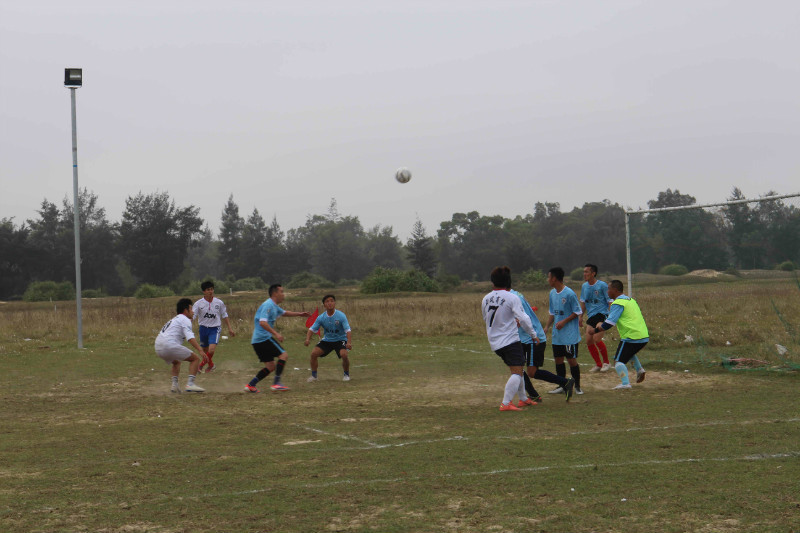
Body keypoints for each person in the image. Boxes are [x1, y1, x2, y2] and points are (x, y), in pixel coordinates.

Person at [481, 266, 539, 411]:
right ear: (508, 281)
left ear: (492, 281)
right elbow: (524, 318)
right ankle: (506, 403)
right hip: (510, 341)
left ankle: (523, 399)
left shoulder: (486, 298)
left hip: (495, 342)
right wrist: (533, 335)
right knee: (517, 372)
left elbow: (486, 318)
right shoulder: (512, 297)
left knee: (518, 369)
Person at [509, 284, 575, 403]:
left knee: (531, 372)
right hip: (523, 338)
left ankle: (565, 382)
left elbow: (524, 317)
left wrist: (519, 322)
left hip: (532, 339)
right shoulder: (512, 295)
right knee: (517, 367)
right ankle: (533, 395)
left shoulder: (513, 297)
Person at [245, 284, 311, 393]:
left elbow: (284, 313)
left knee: (270, 367)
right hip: (263, 338)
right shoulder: (268, 305)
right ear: (275, 293)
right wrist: (276, 333)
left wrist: (300, 314)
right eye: (282, 292)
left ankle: (250, 385)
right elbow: (262, 322)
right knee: (283, 355)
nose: (283, 294)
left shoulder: (274, 306)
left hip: (257, 341)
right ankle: (276, 383)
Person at [588, 280, 648, 390]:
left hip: (631, 336)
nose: (607, 291)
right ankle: (640, 370)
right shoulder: (630, 300)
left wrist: (595, 330)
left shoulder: (618, 303)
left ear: (615, 290)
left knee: (618, 361)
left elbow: (609, 324)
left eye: (609, 289)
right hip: (643, 335)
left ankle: (625, 383)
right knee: (628, 352)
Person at [544, 267, 585, 395]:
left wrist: (564, 321)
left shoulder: (569, 293)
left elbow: (577, 312)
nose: (548, 280)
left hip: (569, 335)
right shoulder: (552, 293)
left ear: (554, 278)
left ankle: (577, 386)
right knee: (558, 360)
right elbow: (552, 313)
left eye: (549, 277)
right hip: (557, 335)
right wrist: (547, 327)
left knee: (571, 360)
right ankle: (562, 385)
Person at [154, 298, 207, 393]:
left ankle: (174, 385)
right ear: (186, 310)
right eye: (191, 309)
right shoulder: (185, 319)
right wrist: (200, 350)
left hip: (158, 347)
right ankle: (190, 384)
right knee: (195, 359)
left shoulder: (174, 319)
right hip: (168, 345)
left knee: (176, 362)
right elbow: (190, 338)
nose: (193, 312)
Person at [304, 294, 353, 382]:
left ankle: (346, 375)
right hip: (327, 340)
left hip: (340, 339)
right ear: (324, 305)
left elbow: (348, 330)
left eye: (332, 301)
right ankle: (314, 376)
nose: (330, 303)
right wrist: (307, 339)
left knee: (344, 355)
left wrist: (348, 342)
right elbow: (311, 329)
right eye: (327, 301)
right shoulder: (321, 317)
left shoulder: (341, 316)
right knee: (313, 354)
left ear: (334, 303)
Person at [192, 280, 236, 373]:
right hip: (203, 328)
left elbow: (224, 315)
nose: (210, 291)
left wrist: (230, 328)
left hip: (215, 329)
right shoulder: (198, 303)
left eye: (212, 289)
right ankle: (211, 365)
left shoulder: (219, 302)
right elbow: (193, 316)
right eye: (208, 290)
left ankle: (200, 366)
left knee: (211, 350)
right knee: (205, 350)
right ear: (204, 291)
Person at [580, 264, 612, 373]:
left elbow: (610, 301)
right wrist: (580, 316)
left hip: (602, 315)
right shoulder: (584, 286)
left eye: (587, 272)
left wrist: (610, 316)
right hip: (591, 316)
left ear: (593, 273)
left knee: (597, 338)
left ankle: (606, 362)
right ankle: (598, 364)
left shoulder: (602, 285)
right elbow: (583, 302)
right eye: (584, 272)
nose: (584, 274)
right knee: (589, 341)